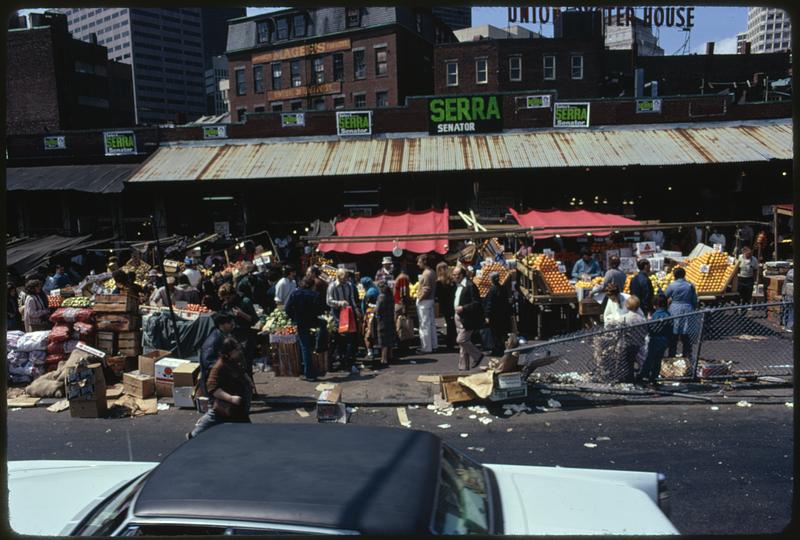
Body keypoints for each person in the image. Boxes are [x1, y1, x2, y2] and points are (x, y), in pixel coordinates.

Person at [188, 337, 253, 439]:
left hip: (237, 407)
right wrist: (230, 398)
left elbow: (240, 372)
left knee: (243, 425)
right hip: (225, 406)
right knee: (213, 418)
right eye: (236, 350)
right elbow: (212, 388)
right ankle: (192, 437)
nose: (239, 351)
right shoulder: (219, 366)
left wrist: (247, 379)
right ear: (229, 352)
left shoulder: (233, 361)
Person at [285, 277, 325, 381]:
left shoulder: (295, 294)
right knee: (309, 344)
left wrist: (294, 317)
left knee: (305, 347)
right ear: (312, 285)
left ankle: (309, 373)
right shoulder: (315, 295)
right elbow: (320, 310)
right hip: (313, 321)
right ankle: (319, 346)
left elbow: (287, 308)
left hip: (301, 322)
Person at [218, 283, 257, 375]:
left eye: (228, 298)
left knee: (246, 367)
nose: (226, 300)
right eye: (224, 299)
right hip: (232, 338)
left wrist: (242, 314)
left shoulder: (245, 301)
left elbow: (254, 320)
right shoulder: (226, 305)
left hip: (246, 337)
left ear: (233, 294)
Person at [326, 268, 361, 373]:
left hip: (348, 313)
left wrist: (356, 310)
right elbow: (329, 301)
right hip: (337, 313)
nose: (346, 279)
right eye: (344, 277)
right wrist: (340, 303)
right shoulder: (332, 286)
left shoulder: (349, 285)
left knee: (349, 337)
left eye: (346, 277)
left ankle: (347, 361)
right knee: (338, 337)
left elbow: (352, 299)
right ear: (338, 276)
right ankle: (337, 360)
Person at [452, 266, 484, 371]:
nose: (453, 277)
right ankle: (463, 367)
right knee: (463, 345)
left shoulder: (470, 286)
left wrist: (463, 308)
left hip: (467, 318)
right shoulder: (458, 285)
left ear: (461, 275)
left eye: (455, 275)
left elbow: (476, 303)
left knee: (461, 340)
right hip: (459, 317)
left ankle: (477, 355)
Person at [199, 313, 236, 398]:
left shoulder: (223, 335)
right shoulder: (214, 339)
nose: (232, 325)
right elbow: (208, 361)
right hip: (214, 379)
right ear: (221, 324)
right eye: (229, 322)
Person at [636, 295, 671, 386]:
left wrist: (648, 321)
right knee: (658, 359)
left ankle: (644, 375)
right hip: (665, 339)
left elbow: (653, 327)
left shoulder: (657, 314)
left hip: (655, 339)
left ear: (656, 305)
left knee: (650, 358)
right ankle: (654, 377)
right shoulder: (668, 314)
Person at [665, 267, 698, 359]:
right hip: (687, 309)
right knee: (686, 334)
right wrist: (693, 308)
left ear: (675, 275)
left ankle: (671, 355)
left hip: (674, 309)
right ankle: (686, 355)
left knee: (673, 335)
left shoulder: (672, 285)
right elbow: (694, 300)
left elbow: (665, 296)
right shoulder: (690, 286)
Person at [484, 272, 512, 357]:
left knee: (495, 333)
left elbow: (489, 304)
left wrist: (487, 316)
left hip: (494, 315)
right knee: (501, 333)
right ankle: (502, 348)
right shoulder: (503, 288)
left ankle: (496, 350)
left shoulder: (492, 290)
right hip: (503, 315)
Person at [415, 254, 438, 355]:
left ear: (424, 262)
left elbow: (426, 290)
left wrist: (419, 299)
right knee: (431, 324)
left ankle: (426, 348)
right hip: (431, 300)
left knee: (424, 325)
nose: (417, 264)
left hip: (425, 301)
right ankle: (433, 345)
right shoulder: (432, 272)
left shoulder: (426, 274)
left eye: (419, 262)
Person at [435, 262, 457, 352]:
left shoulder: (439, 282)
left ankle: (450, 343)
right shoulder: (451, 280)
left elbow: (438, 295)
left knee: (449, 323)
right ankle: (453, 340)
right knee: (452, 323)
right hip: (453, 303)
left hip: (445, 305)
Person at [393, 269, 415, 357]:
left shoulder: (399, 278)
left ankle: (402, 345)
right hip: (400, 305)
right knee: (402, 326)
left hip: (398, 304)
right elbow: (404, 293)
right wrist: (405, 306)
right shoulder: (403, 279)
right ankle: (403, 346)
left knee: (400, 325)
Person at [374, 281, 396, 367]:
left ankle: (384, 359)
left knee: (384, 340)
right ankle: (390, 355)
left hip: (383, 320)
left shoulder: (381, 296)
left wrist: (376, 316)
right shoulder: (390, 295)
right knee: (390, 338)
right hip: (390, 319)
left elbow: (378, 309)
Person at [359, 277, 380, 360]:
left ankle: (370, 352)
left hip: (370, 315)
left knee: (368, 334)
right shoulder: (375, 289)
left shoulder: (370, 293)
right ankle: (376, 350)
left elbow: (367, 304)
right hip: (375, 314)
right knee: (374, 333)